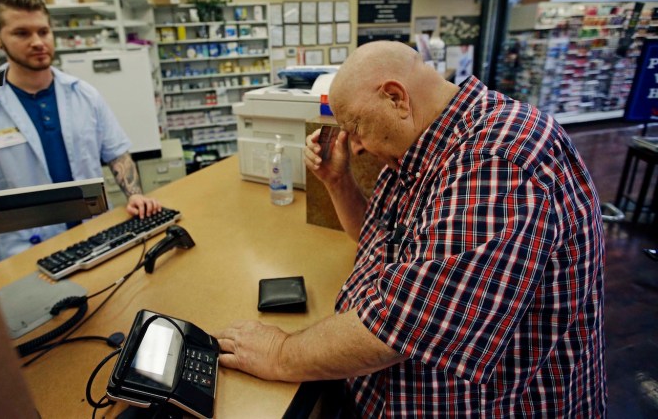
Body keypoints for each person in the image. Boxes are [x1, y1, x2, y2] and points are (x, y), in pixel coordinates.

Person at [217, 40, 607, 417]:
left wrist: (282, 354)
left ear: (396, 98)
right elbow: (377, 239)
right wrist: (338, 182)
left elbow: (403, 322)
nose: (356, 147)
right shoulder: (425, 146)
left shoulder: (498, 161)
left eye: (356, 127)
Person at [0, 0, 161, 260]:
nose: (37, 42)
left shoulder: (84, 94)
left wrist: (134, 195)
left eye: (43, 31)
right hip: (27, 252)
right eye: (22, 33)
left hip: (97, 236)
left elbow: (116, 152)